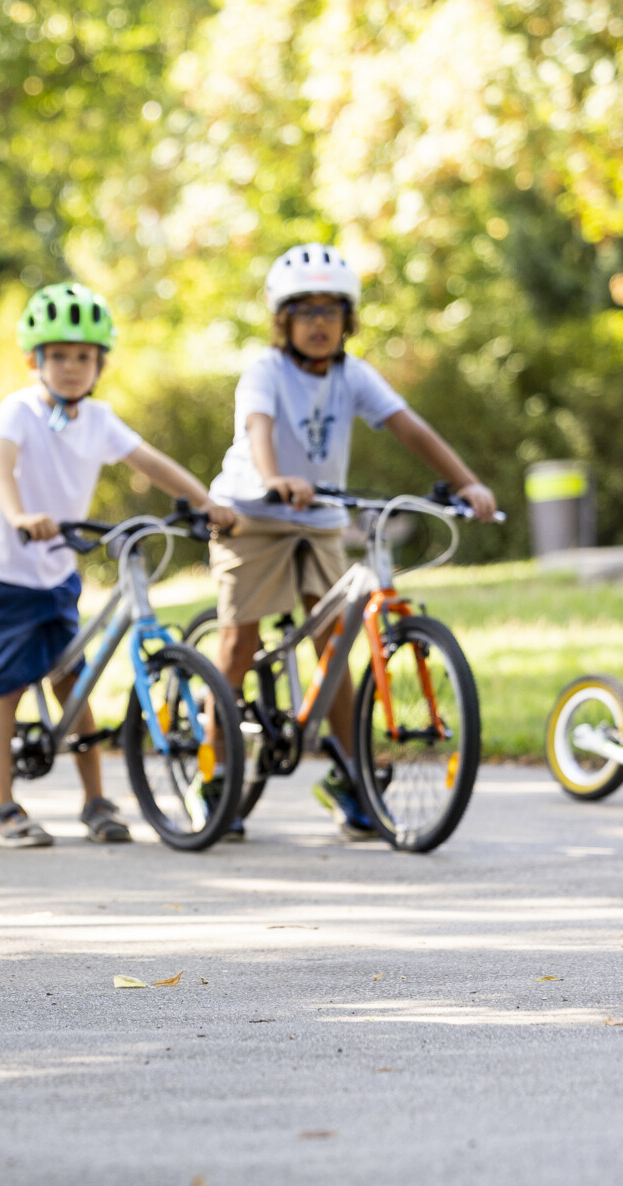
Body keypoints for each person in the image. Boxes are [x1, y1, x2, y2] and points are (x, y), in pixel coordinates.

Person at [206, 244, 497, 840]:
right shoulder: (265, 371)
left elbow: (407, 426)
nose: (318, 323)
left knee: (335, 646)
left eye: (331, 311)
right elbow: (258, 430)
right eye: (304, 311)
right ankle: (215, 775)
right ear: (282, 320)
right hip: (253, 512)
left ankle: (350, 774)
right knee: (239, 642)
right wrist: (273, 478)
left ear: (348, 319)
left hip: (319, 518)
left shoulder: (353, 375)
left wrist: (467, 483)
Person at [0, 282, 237, 848]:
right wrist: (19, 516)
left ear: (100, 364)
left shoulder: (98, 419)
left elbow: (152, 463)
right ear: (34, 360)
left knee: (74, 682)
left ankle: (95, 801)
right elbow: (3, 473)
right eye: (59, 355)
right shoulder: (19, 410)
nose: (71, 367)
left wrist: (206, 502)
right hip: (7, 575)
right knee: (7, 686)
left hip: (57, 574)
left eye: (83, 357)